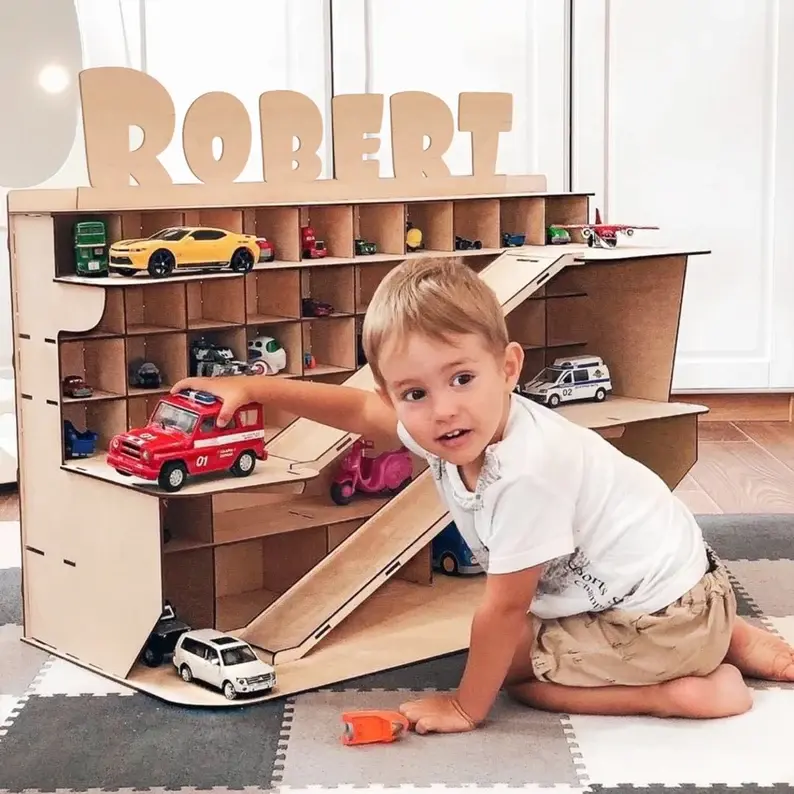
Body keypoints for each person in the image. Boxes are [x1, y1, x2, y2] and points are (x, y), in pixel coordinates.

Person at [171, 257, 794, 734]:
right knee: (524, 642)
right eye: (414, 393)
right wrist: (255, 390)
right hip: (685, 583)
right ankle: (729, 635)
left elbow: (503, 612)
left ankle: (683, 691)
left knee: (518, 676)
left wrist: (467, 707)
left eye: (461, 378)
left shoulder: (523, 472)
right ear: (397, 398)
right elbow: (360, 409)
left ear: (509, 367)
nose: (442, 410)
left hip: (659, 616)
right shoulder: (461, 424)